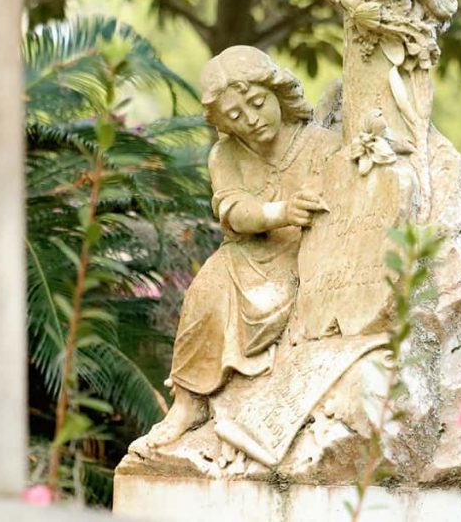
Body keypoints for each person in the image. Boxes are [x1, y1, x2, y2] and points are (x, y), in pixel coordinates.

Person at [136, 46, 338, 449]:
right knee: (206, 288)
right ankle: (188, 402)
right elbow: (236, 212)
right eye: (235, 116)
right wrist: (281, 211)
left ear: (278, 92)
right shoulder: (225, 155)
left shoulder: (320, 144)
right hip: (249, 250)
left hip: (306, 255)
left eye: (259, 103)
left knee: (270, 298)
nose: (251, 118)